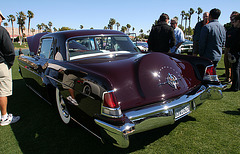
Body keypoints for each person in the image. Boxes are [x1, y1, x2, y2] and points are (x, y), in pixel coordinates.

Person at [0, 10, 20, 126]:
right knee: (3, 91)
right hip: (1, 64)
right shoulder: (1, 31)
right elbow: (9, 50)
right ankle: (4, 117)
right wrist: (10, 63)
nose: (2, 19)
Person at [221, 11, 239, 83]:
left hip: (234, 50)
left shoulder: (237, 29)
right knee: (227, 63)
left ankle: (233, 79)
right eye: (231, 18)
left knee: (234, 66)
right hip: (227, 48)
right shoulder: (230, 29)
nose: (231, 19)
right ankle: (227, 77)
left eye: (233, 18)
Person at [225, 14, 240, 92]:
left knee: (236, 69)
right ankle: (237, 85)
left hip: (236, 52)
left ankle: (235, 86)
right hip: (236, 52)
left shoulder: (237, 31)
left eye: (234, 21)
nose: (233, 23)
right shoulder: (234, 30)